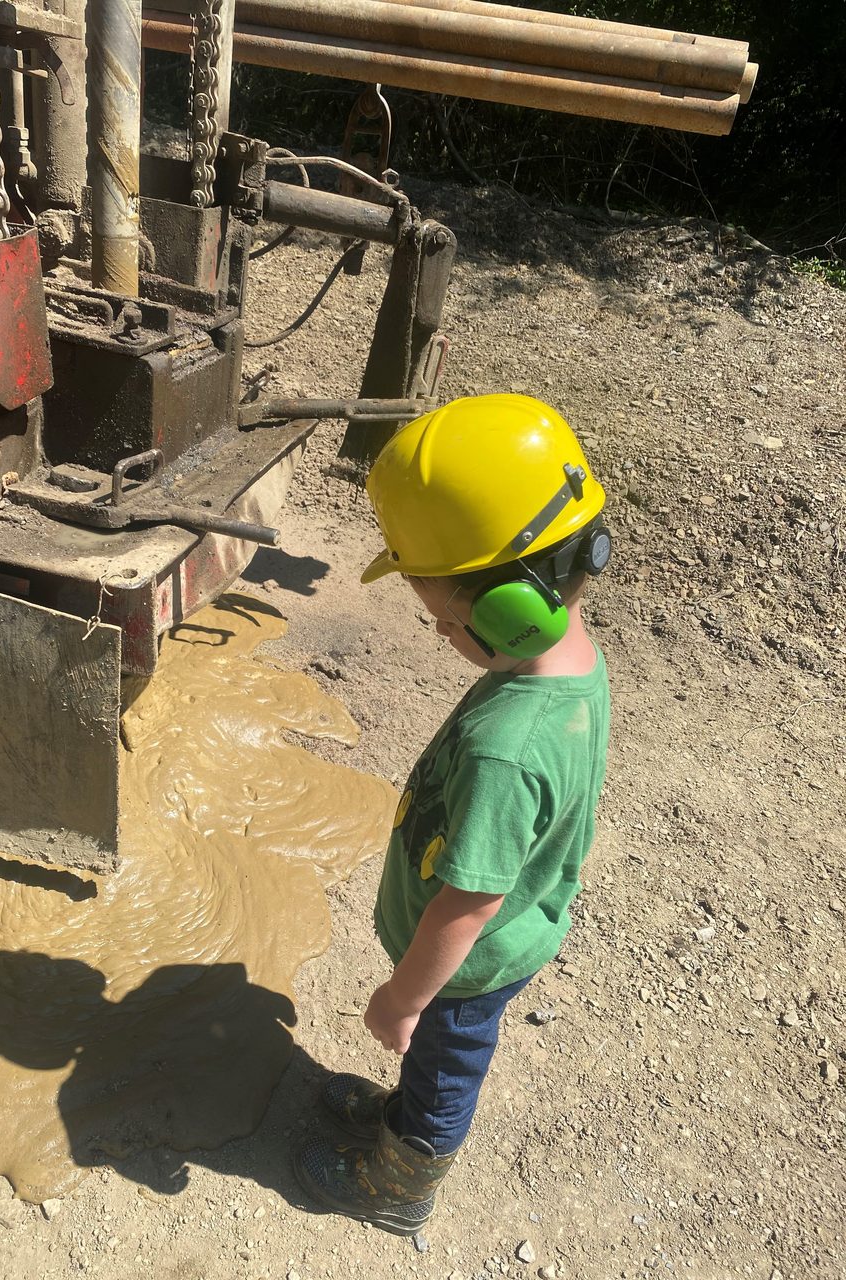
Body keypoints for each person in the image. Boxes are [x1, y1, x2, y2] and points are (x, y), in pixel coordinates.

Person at [294, 394, 613, 1235]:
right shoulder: (568, 664)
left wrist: (403, 998)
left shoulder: (510, 749)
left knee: (443, 1071)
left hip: (464, 971)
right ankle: (400, 1122)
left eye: (443, 621)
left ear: (513, 610)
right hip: (475, 953)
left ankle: (401, 1185)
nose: (439, 635)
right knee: (432, 1066)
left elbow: (468, 904)